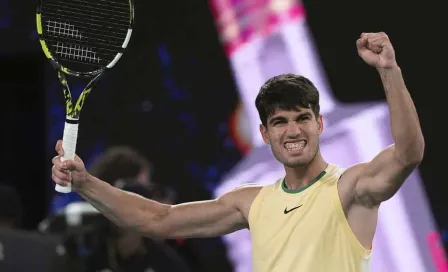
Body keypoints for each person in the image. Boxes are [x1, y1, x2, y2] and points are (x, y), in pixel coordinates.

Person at [51, 32, 424, 271]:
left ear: (319, 124)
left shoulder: (351, 188)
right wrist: (85, 183)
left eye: (302, 118)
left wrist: (389, 70)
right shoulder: (250, 203)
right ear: (264, 133)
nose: (293, 130)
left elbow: (408, 153)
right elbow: (156, 219)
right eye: (280, 122)